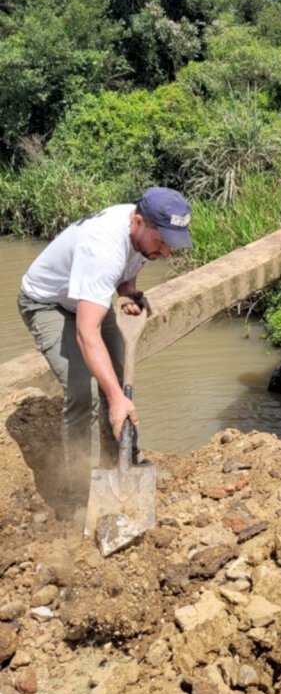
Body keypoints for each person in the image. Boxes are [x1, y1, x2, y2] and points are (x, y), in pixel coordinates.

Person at [18, 187, 193, 489]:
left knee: (120, 374)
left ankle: (124, 462)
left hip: (86, 299)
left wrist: (129, 293)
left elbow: (130, 267)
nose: (166, 252)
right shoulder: (103, 248)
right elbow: (87, 331)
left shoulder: (144, 235)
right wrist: (113, 397)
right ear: (138, 222)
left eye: (172, 244)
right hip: (47, 302)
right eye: (162, 242)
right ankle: (79, 484)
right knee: (81, 390)